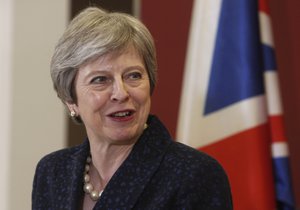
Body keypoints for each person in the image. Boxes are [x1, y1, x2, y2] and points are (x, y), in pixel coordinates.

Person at [32, 7, 233, 210]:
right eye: (100, 79)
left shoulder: (194, 175)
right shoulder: (52, 172)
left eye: (133, 76)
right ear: (70, 100)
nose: (121, 93)